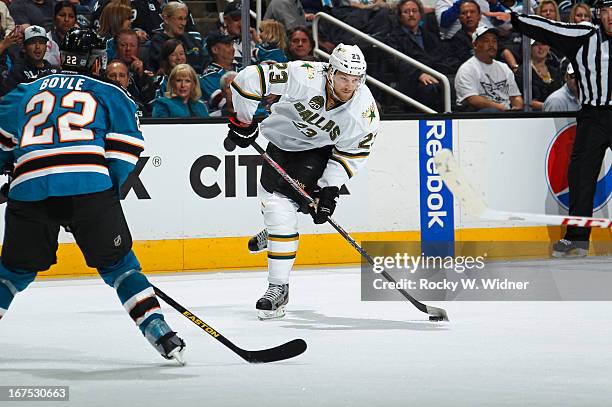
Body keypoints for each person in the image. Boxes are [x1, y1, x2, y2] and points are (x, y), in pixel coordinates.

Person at [0, 28, 186, 363]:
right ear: (97, 63)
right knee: (121, 267)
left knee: (13, 272)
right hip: (89, 186)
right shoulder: (109, 92)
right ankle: (159, 330)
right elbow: (124, 153)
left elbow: (3, 147)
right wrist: (99, 198)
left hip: (28, 189)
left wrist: (10, 174)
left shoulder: (24, 91)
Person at [228, 44, 380, 319]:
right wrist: (244, 121)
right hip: (278, 142)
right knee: (269, 198)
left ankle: (279, 288)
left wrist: (330, 188)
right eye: (344, 77)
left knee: (278, 208)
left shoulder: (363, 112)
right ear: (330, 71)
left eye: (355, 79)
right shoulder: (305, 75)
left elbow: (352, 153)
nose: (349, 86)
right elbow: (248, 78)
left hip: (317, 151)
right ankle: (277, 235)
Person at [489, 0, 612, 257]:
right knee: (580, 178)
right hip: (593, 116)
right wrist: (516, 19)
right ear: (599, 13)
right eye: (607, 10)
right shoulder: (584, 35)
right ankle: (577, 239)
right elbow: (548, 28)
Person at [454, 26, 524, 111]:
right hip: (479, 117)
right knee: (492, 111)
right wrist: (501, 108)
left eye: (494, 41)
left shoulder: (504, 67)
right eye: (486, 41)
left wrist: (517, 108)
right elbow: (473, 100)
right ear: (475, 45)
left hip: (506, 114)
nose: (492, 45)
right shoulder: (467, 69)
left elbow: (515, 96)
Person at [0, 25, 59, 96]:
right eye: (32, 42)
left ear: (46, 47)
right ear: (24, 48)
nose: (37, 47)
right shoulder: (18, 70)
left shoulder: (53, 70)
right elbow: (6, 98)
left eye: (41, 42)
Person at [148, 1, 205, 73]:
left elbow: (205, 59)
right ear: (166, 19)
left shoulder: (189, 38)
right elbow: (166, 66)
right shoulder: (158, 41)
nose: (184, 23)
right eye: (180, 19)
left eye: (185, 19)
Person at [515, 39, 562, 110]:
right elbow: (524, 101)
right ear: (529, 48)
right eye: (536, 44)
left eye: (543, 43)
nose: (540, 47)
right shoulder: (522, 71)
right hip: (534, 115)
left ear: (549, 47)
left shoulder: (555, 71)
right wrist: (549, 107)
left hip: (557, 113)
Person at [44, 1, 77, 66]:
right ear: (54, 18)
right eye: (62, 15)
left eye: (71, 16)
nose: (66, 19)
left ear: (75, 21)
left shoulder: (80, 43)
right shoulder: (45, 41)